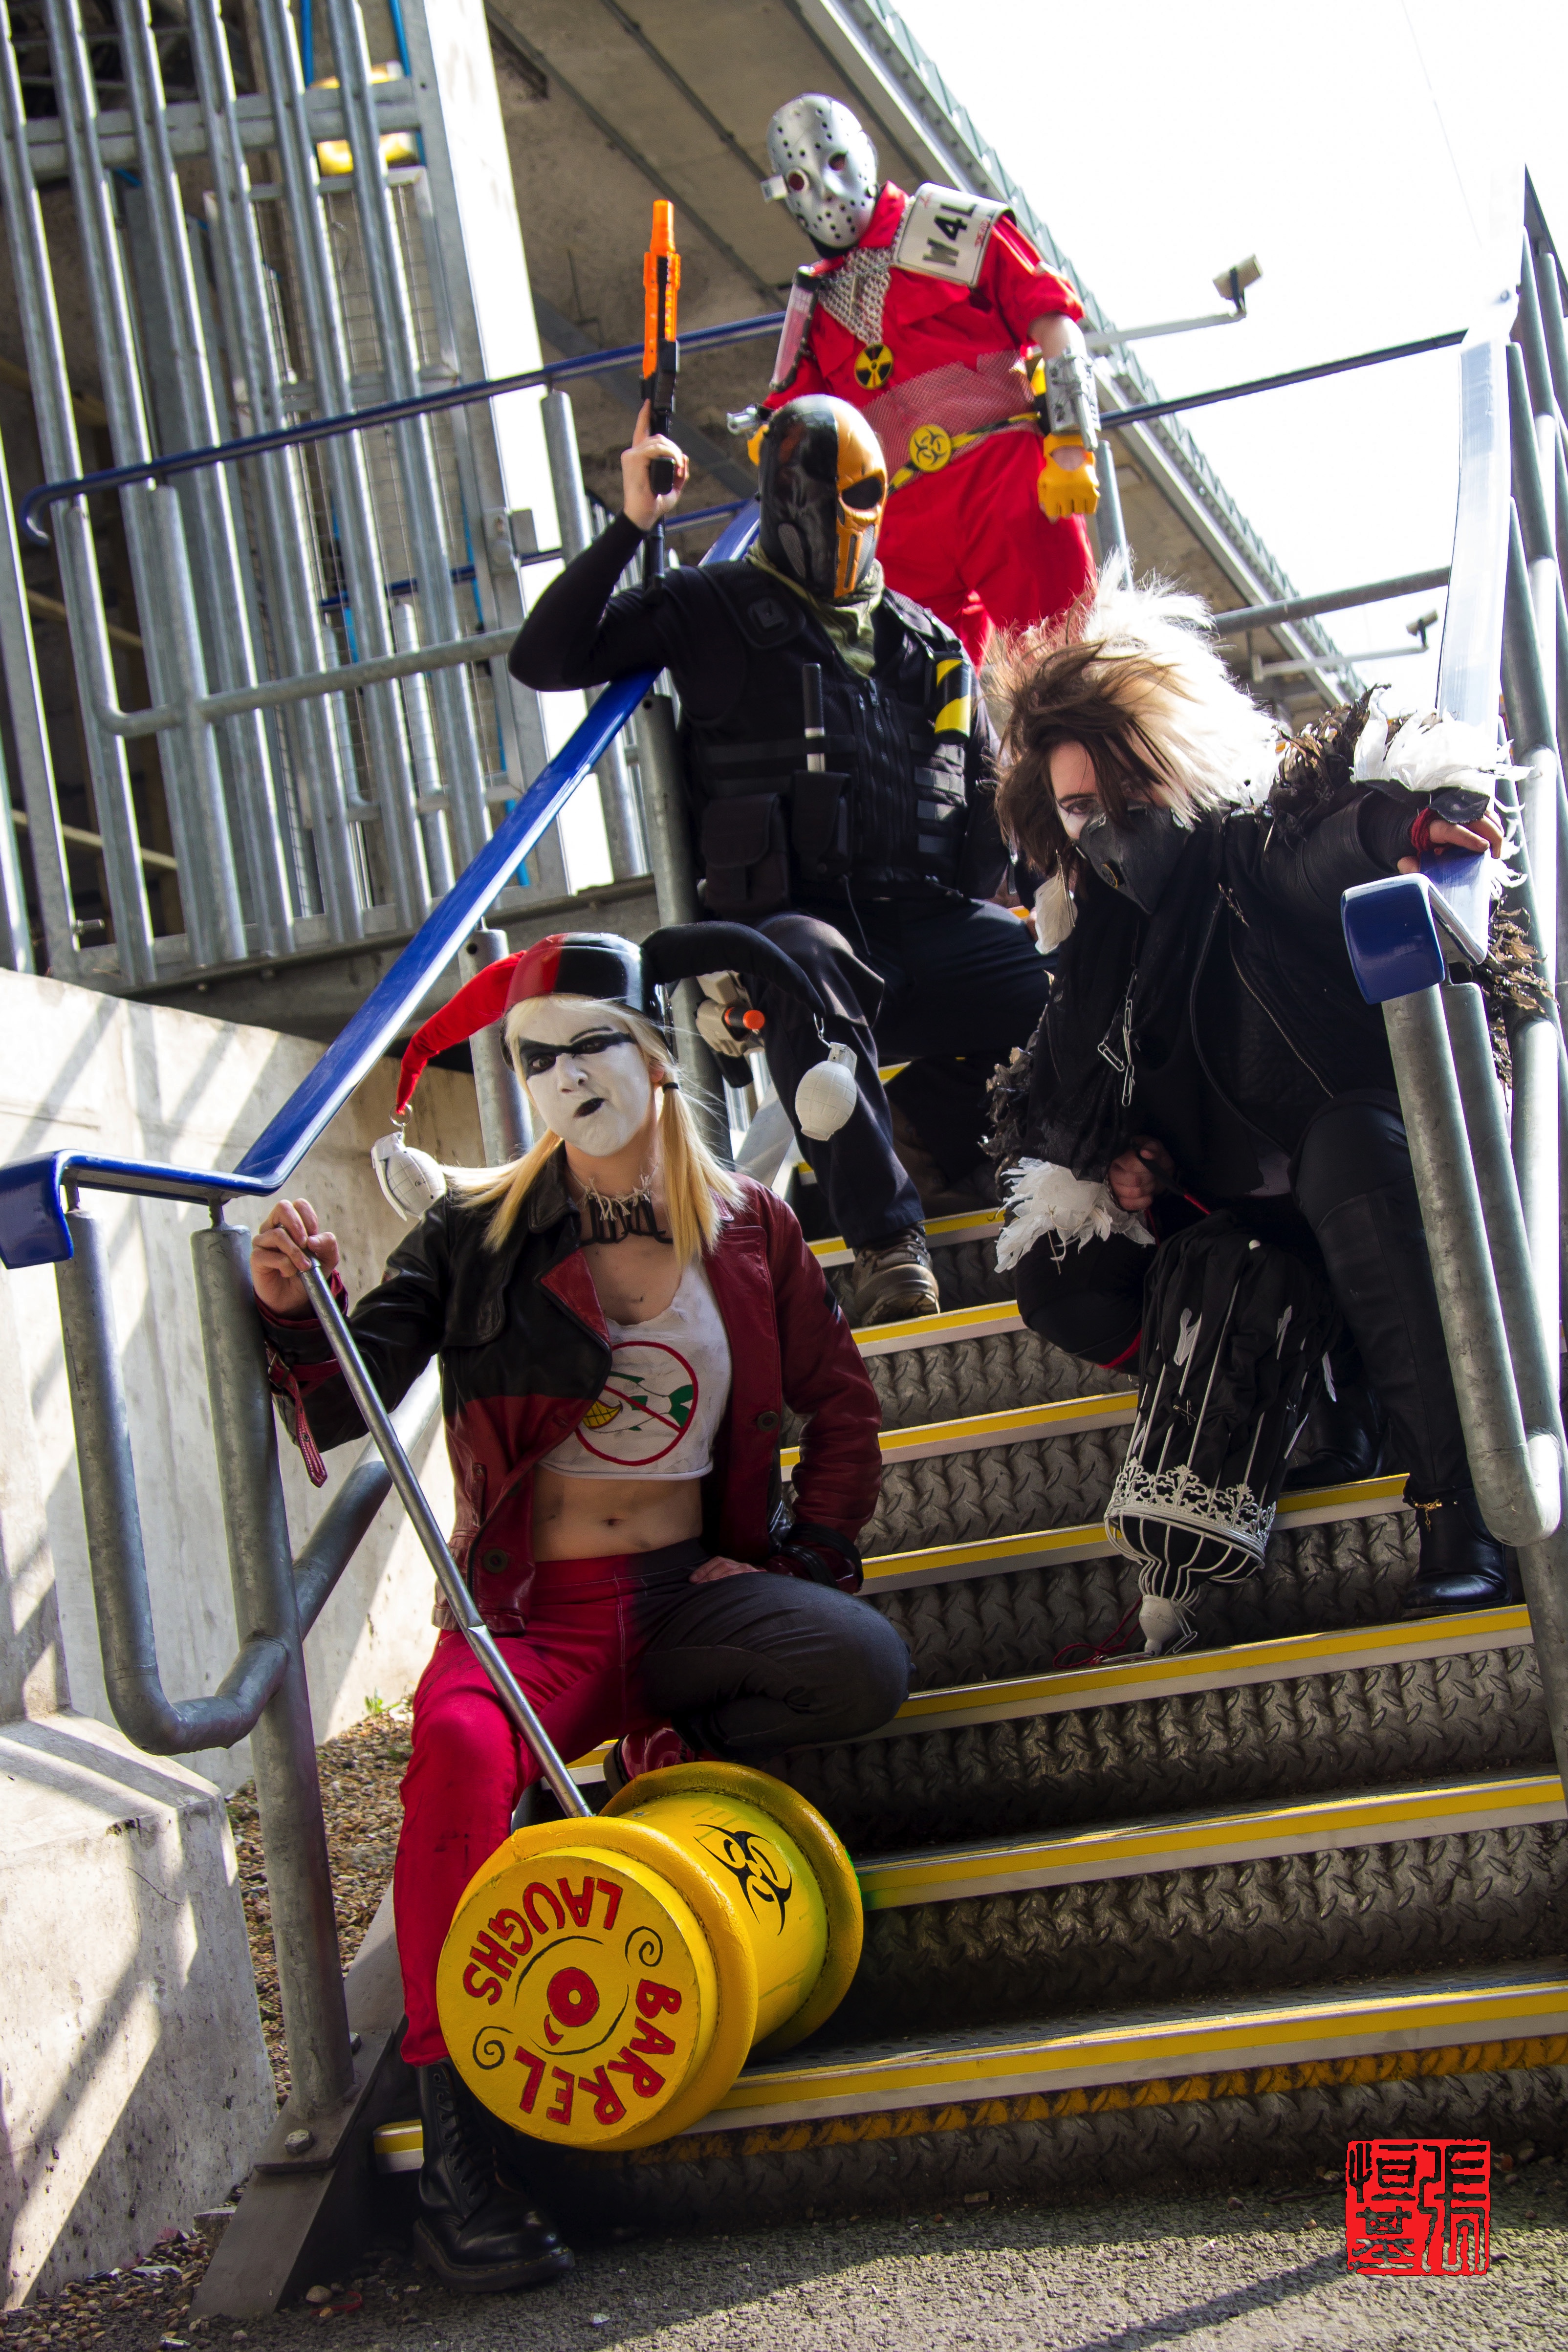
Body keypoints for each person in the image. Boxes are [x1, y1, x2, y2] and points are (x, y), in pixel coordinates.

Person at [251, 927, 908, 2294]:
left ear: (655, 1053)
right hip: (528, 1618)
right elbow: (343, 1393)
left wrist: (804, 1553)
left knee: (854, 1659)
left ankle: (665, 1763)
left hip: (682, 1602)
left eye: (591, 1044)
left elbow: (840, 1402)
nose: (565, 1077)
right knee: (457, 1758)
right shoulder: (474, 1232)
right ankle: (460, 2172)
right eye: (535, 1058)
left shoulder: (750, 1223)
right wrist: (293, 1303)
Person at [985, 570, 1512, 1651]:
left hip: (1364, 1185)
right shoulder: (1102, 945)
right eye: (1077, 809)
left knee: (1348, 1155)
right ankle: (1314, 1396)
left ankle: (1461, 1503)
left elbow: (1324, 850)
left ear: (1170, 768)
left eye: (1126, 793)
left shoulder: (1239, 851)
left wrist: (1404, 823)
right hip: (1249, 1228)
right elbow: (1051, 1102)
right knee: (1058, 1272)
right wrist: (1124, 1157)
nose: (1105, 828)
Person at [509, 395, 1050, 1327]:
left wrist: (1062, 898)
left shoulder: (929, 644)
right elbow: (546, 656)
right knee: (800, 961)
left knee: (1060, 974)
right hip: (793, 929)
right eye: (833, 496)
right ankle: (887, 1242)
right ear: (783, 498)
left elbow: (1000, 806)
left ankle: (934, 1136)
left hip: (925, 923)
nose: (849, 520)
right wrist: (633, 522)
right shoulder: (709, 607)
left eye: (866, 496)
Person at [737, 92, 1098, 664]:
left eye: (835, 162)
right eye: (802, 182)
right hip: (899, 528)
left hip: (1000, 481)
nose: (827, 191)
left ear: (861, 154)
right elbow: (790, 421)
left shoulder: (953, 227)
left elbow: (1054, 323)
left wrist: (1072, 447)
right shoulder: (812, 304)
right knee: (920, 708)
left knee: (1071, 670)